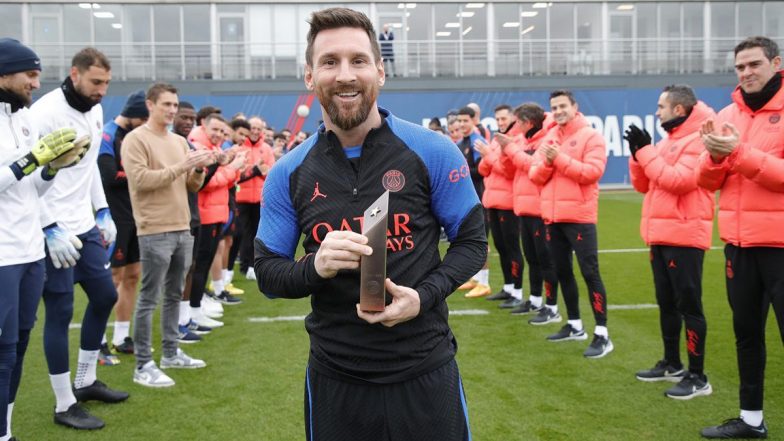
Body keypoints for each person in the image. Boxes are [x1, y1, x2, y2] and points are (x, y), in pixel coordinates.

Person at [254, 8, 486, 440]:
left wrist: (424, 296)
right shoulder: (288, 172)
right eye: (329, 62)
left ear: (380, 71)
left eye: (358, 60)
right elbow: (268, 275)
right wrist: (315, 266)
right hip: (336, 381)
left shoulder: (432, 151)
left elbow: (473, 242)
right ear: (309, 76)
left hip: (425, 370)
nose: (345, 75)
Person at [30, 47, 128, 430]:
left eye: (106, 83)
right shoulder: (43, 113)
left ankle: (85, 380)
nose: (102, 90)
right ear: (75, 74)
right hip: (52, 229)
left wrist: (102, 210)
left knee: (105, 295)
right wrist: (47, 227)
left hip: (83, 224)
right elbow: (28, 180)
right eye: (95, 82)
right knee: (60, 310)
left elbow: (87, 169)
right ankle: (63, 403)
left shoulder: (95, 109)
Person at [0, 38, 87, 441]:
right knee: (2, 351)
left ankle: (6, 428)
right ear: (4, 74)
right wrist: (30, 159)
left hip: (30, 248)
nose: (36, 83)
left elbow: (30, 189)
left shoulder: (22, 118)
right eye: (29, 75)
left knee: (17, 346)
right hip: (2, 255)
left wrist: (51, 168)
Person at [697, 36, 784, 439]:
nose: (746, 73)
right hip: (739, 245)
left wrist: (736, 153)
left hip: (780, 247)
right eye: (740, 67)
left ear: (776, 63)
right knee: (746, 336)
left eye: (754, 64)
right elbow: (707, 179)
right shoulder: (728, 112)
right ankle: (751, 421)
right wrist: (716, 156)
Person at [626, 85, 715, 400]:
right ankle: (672, 362)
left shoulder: (699, 138)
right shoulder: (669, 141)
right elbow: (643, 185)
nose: (656, 111)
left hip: (685, 235)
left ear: (679, 109)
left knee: (689, 307)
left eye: (661, 106)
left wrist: (646, 152)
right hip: (661, 235)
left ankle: (698, 375)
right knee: (667, 303)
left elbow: (679, 182)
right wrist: (638, 155)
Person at [122, 83, 214, 388]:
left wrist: (198, 170)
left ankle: (171, 353)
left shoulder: (178, 141)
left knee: (175, 293)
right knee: (149, 298)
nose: (173, 110)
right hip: (154, 229)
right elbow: (140, 181)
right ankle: (142, 364)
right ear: (151, 105)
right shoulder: (136, 140)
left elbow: (191, 187)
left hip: (182, 227)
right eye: (167, 105)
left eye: (175, 105)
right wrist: (182, 166)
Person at [529, 89, 612, 358]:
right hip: (553, 216)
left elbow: (592, 173)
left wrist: (558, 159)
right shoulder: (551, 136)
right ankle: (575, 324)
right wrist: (551, 163)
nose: (558, 111)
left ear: (575, 106)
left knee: (590, 274)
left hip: (580, 218)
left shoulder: (591, 136)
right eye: (554, 107)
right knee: (563, 272)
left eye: (563, 105)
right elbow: (535, 174)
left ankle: (602, 333)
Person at [97, 89, 148, 360]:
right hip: (114, 217)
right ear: (135, 115)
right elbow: (107, 176)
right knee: (112, 279)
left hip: (136, 215)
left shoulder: (133, 136)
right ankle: (99, 341)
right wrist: (143, 174)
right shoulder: (107, 134)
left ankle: (121, 336)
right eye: (144, 120)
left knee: (132, 276)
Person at [501, 103, 561, 325]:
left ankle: (552, 306)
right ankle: (536, 300)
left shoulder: (545, 140)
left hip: (539, 208)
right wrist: (505, 150)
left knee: (546, 260)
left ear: (528, 122)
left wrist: (511, 150)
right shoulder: (521, 141)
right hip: (524, 207)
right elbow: (509, 170)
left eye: (518, 121)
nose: (515, 125)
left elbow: (530, 166)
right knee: (532, 258)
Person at [475, 104, 525, 309]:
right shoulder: (497, 141)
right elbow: (483, 169)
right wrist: (489, 156)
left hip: (509, 203)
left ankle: (517, 291)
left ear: (513, 119)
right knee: (501, 248)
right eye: (498, 119)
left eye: (504, 119)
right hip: (493, 201)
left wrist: (489, 156)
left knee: (512, 248)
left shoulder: (517, 141)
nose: (501, 123)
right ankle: (508, 287)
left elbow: (508, 171)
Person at [456, 106, 492, 297]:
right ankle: (476, 278)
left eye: (465, 121)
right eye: (459, 121)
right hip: (468, 198)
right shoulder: (462, 142)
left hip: (480, 197)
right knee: (470, 238)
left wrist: (460, 172)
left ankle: (484, 282)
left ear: (473, 121)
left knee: (482, 240)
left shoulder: (478, 142)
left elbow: (482, 171)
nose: (462, 124)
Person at [237, 119, 275, 282]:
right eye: (253, 128)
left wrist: (258, 171)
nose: (255, 131)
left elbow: (271, 171)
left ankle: (253, 265)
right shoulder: (239, 147)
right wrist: (256, 170)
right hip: (241, 197)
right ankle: (244, 265)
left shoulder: (266, 148)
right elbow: (237, 172)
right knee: (242, 233)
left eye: (258, 128)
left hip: (259, 198)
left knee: (257, 233)